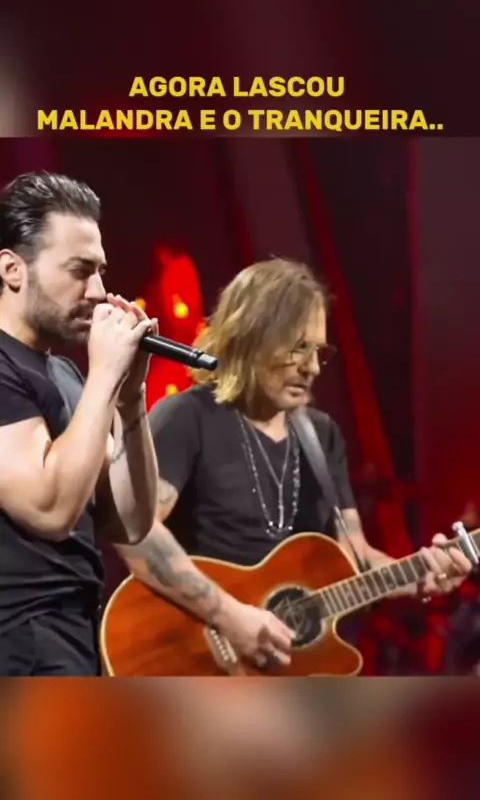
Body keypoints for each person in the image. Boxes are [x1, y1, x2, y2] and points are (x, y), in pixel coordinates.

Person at [119, 258, 472, 669]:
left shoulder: (320, 435)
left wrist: (421, 574)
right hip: (190, 658)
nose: (313, 367)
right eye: (298, 348)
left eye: (319, 351)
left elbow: (355, 557)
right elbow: (134, 533)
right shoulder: (186, 417)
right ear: (250, 336)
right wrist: (229, 616)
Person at [0, 171, 158, 676]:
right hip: (20, 639)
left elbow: (129, 521)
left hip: (77, 634)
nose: (99, 291)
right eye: (79, 270)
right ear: (12, 270)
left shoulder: (68, 376)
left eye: (101, 271)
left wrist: (129, 399)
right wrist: (105, 375)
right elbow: (49, 510)